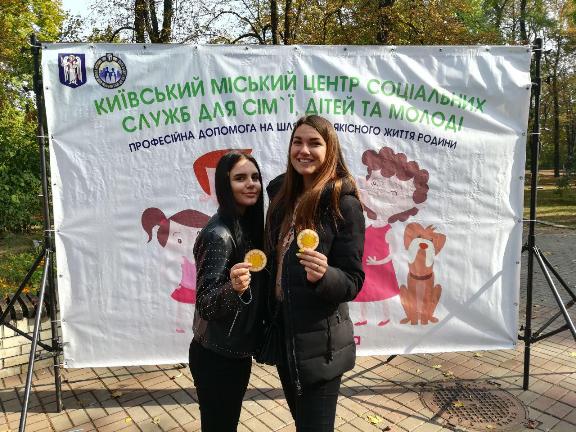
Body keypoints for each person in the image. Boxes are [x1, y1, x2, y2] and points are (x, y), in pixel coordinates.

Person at [265, 115, 365, 431]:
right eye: (298, 142)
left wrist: (324, 275)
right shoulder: (281, 197)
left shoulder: (343, 205)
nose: (304, 150)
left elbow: (352, 281)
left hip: (321, 346)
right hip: (286, 336)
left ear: (329, 149)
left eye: (314, 143)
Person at [189, 151, 264, 432]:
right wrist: (233, 288)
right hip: (216, 357)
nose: (251, 184)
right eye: (240, 178)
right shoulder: (218, 235)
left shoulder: (244, 225)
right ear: (225, 185)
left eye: (255, 177)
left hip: (233, 352)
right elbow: (205, 304)